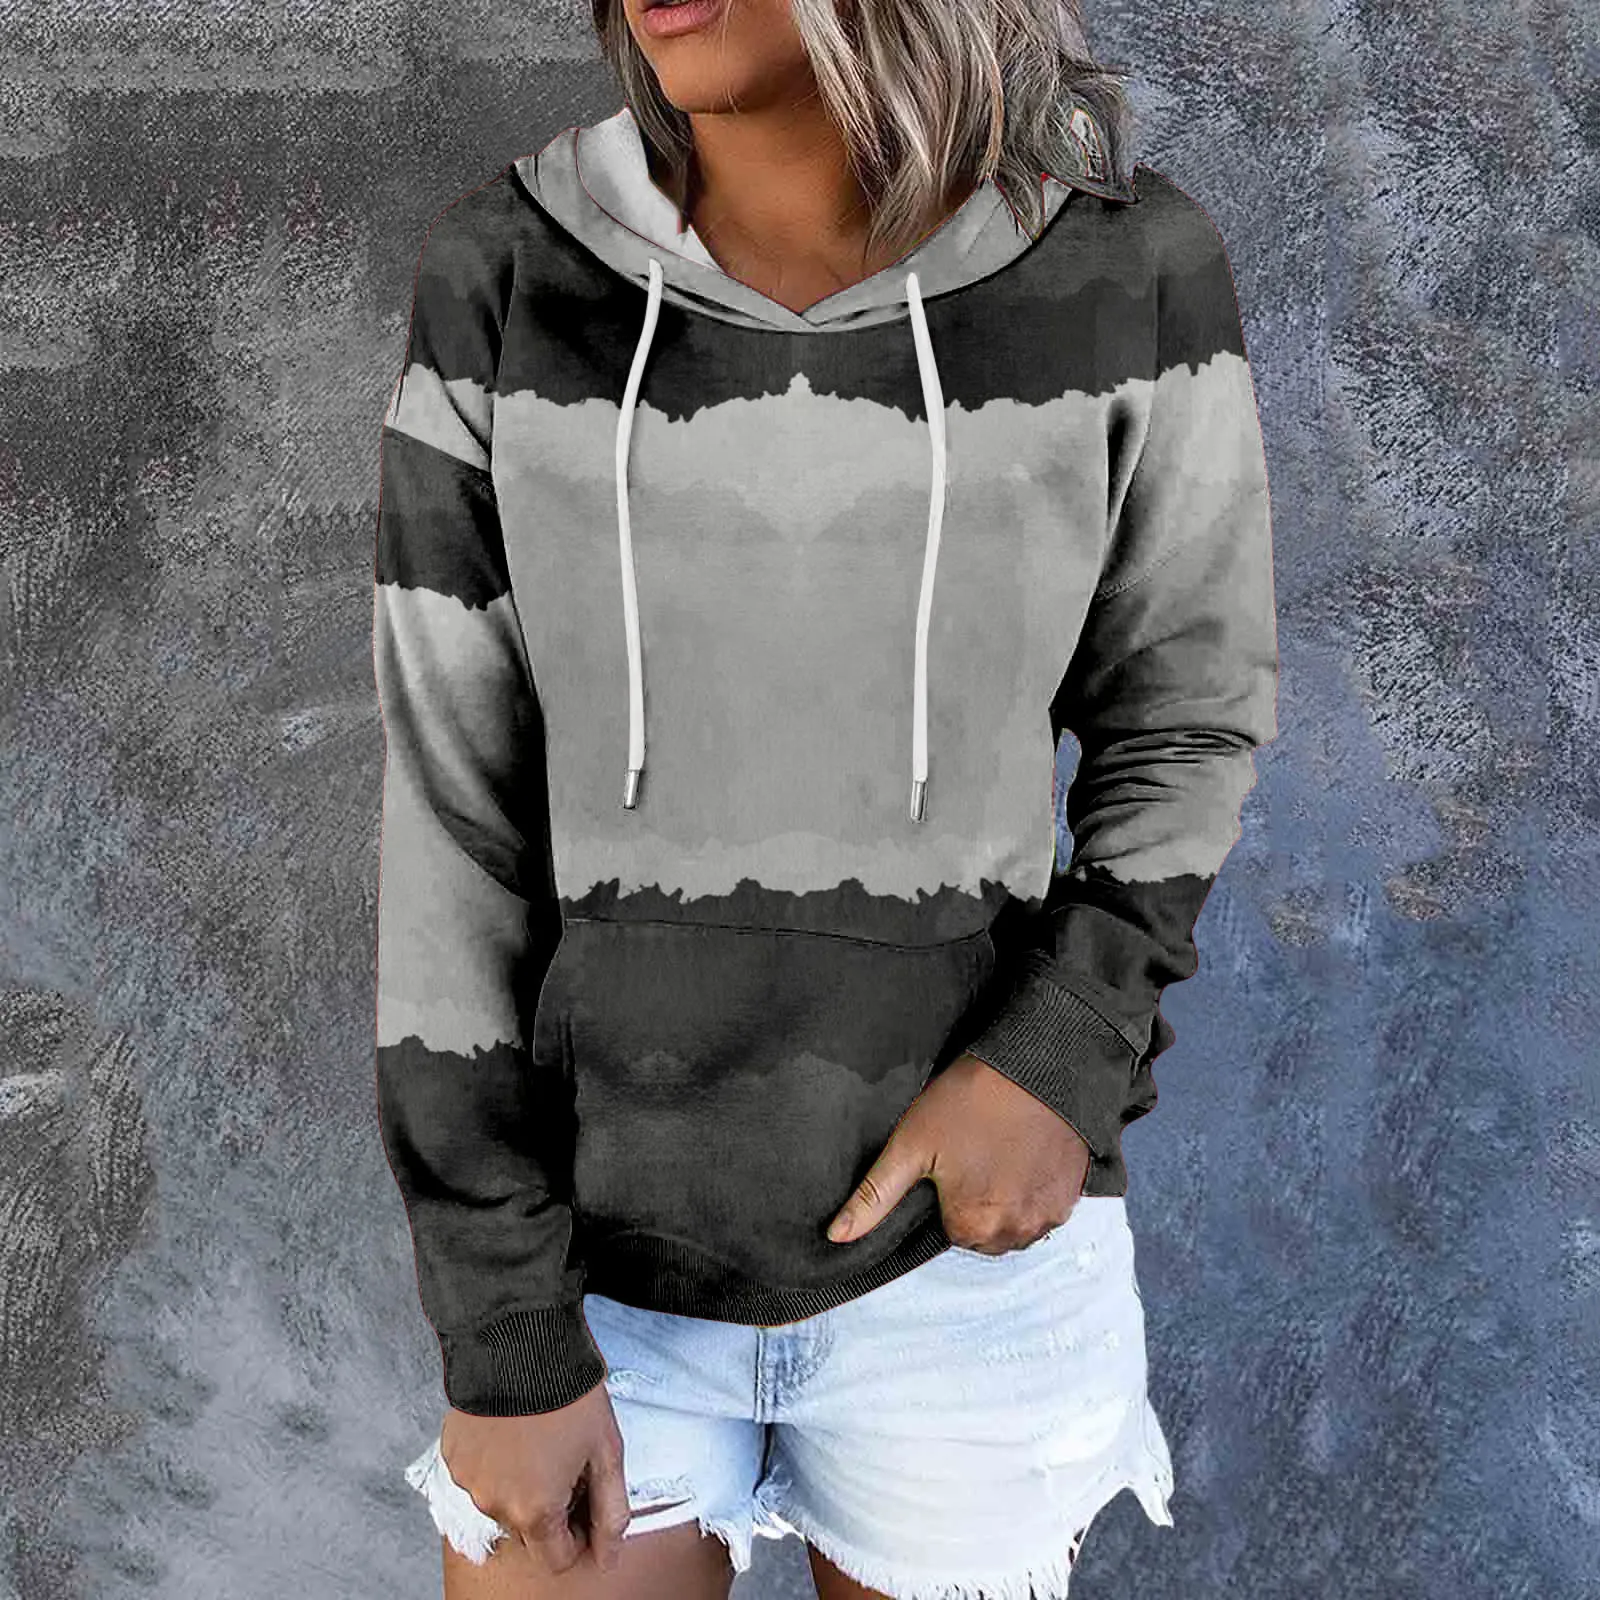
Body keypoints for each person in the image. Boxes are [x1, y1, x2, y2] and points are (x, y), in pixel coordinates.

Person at [372, 0, 1278, 1595]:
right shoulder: (511, 272)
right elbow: (454, 819)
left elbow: (1188, 713)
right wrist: (499, 1319)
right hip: (595, 1270)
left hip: (968, 1270)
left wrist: (1063, 1054)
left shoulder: (1124, 269)